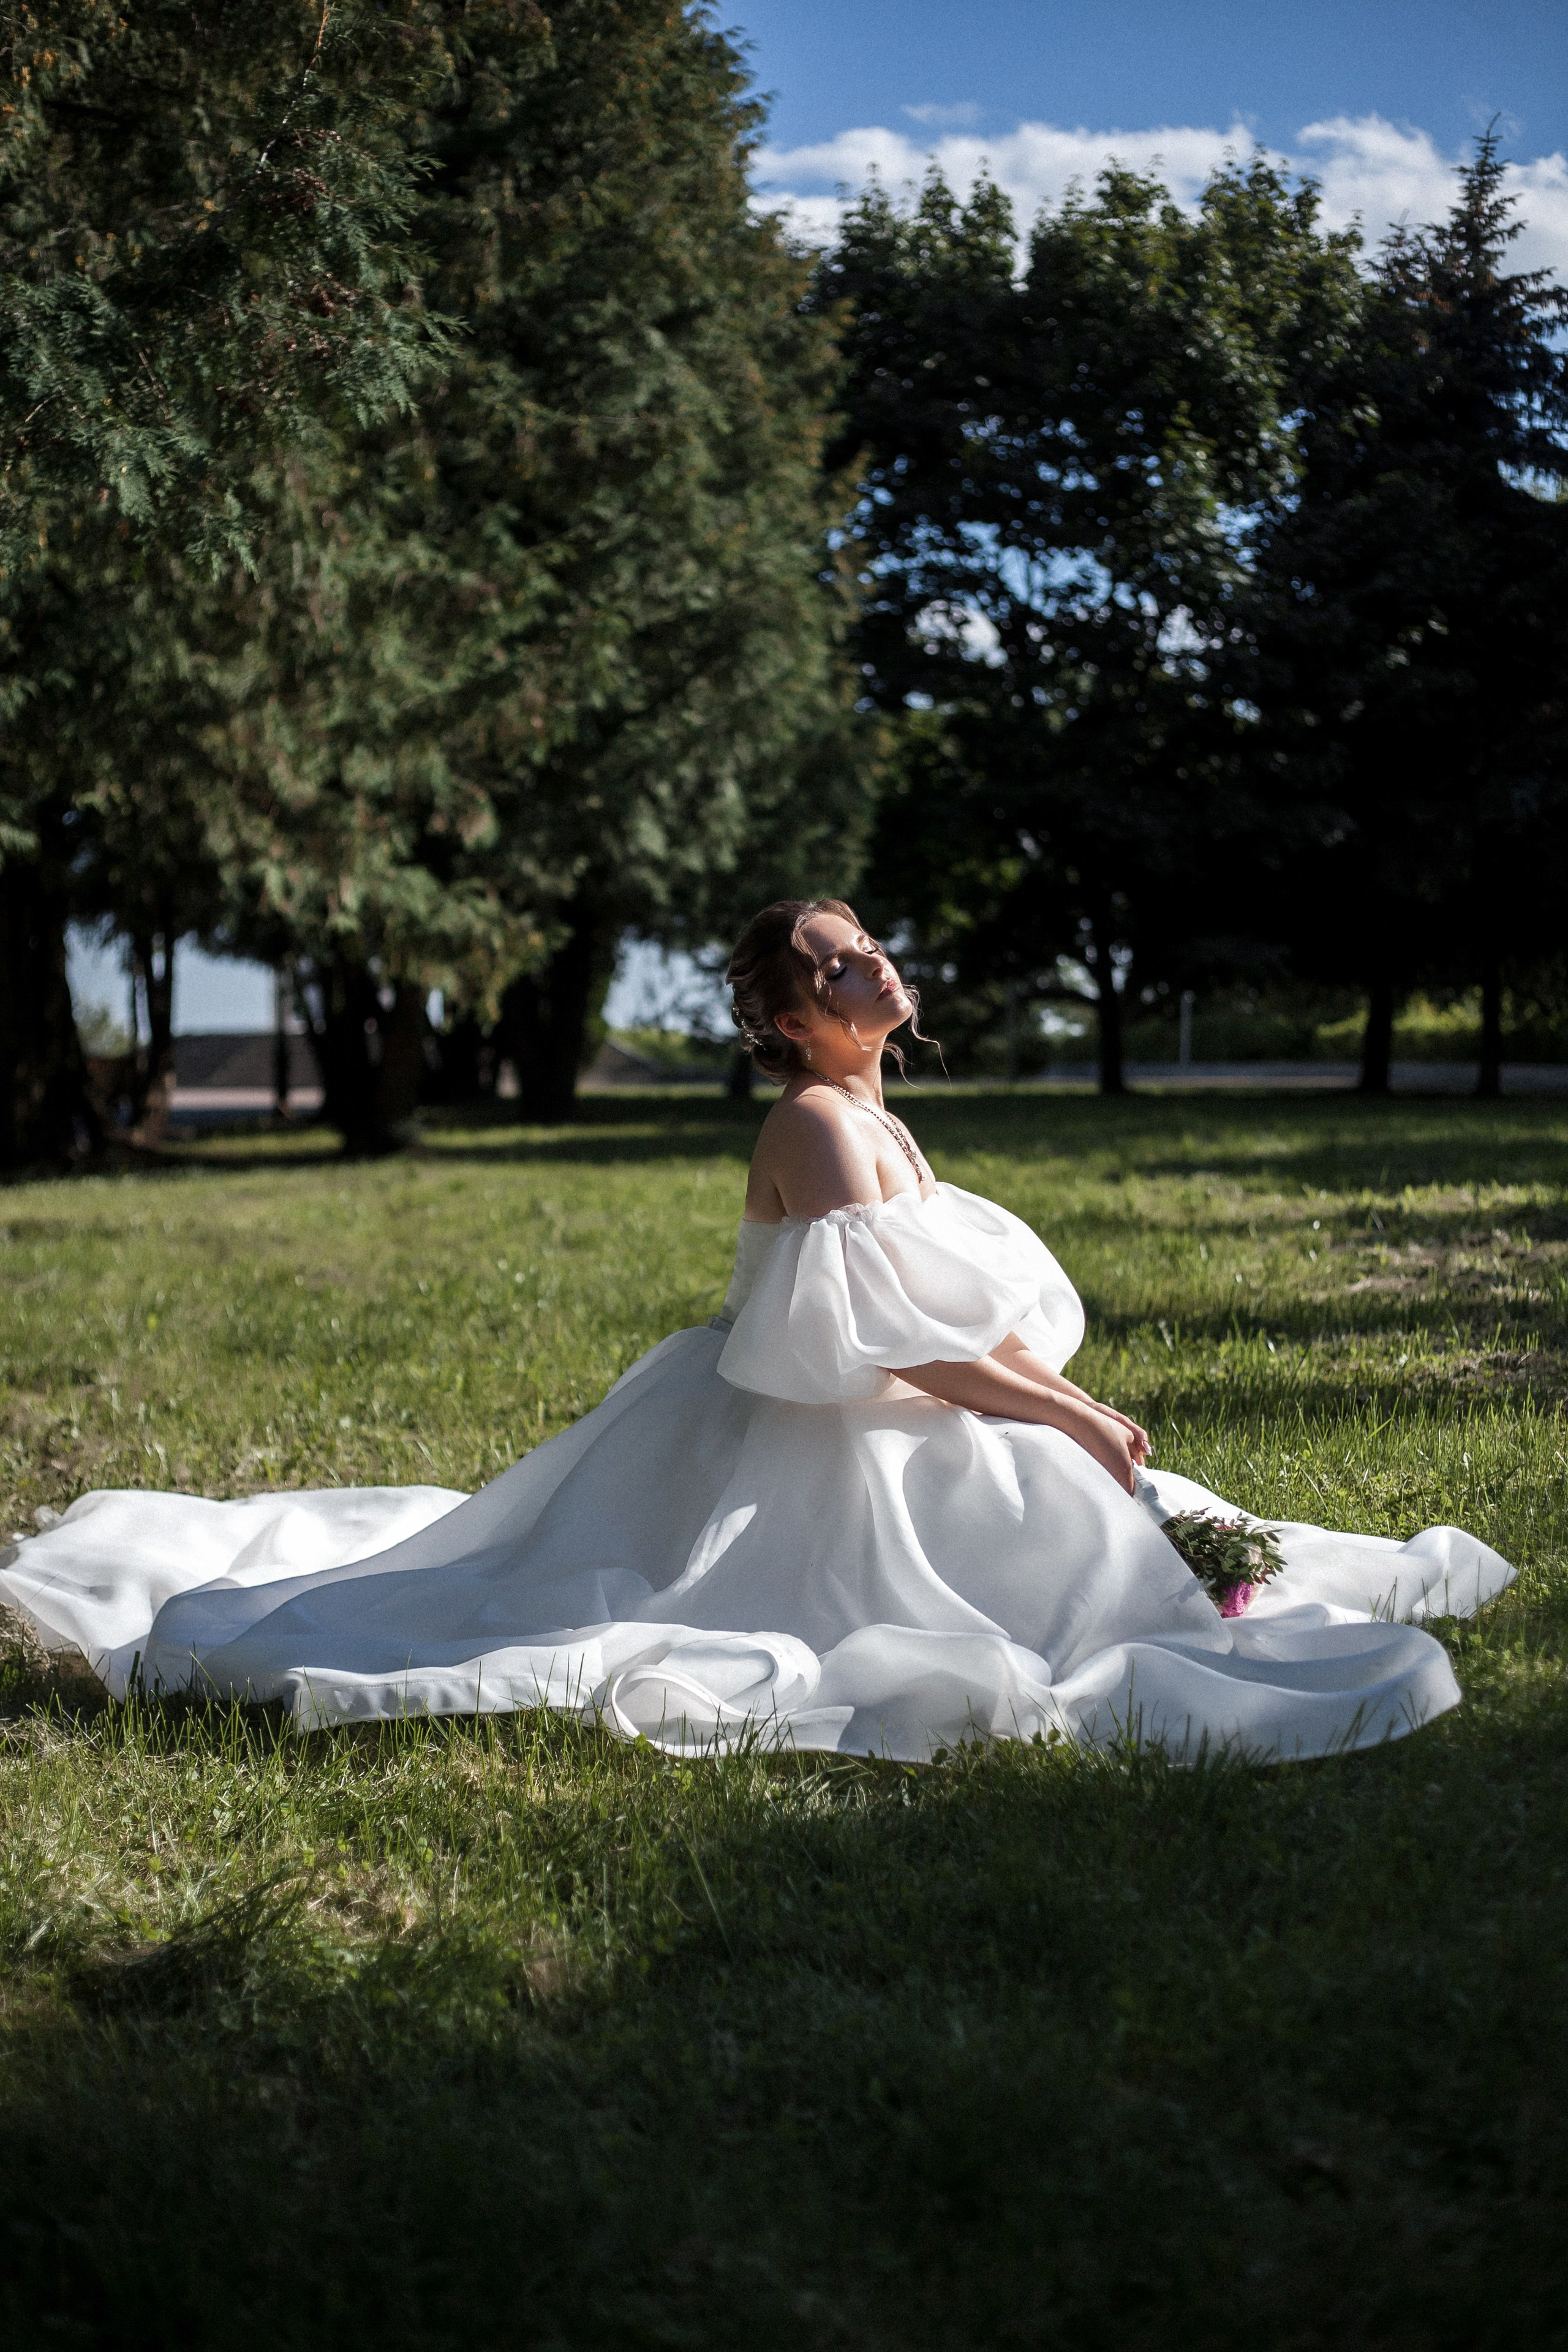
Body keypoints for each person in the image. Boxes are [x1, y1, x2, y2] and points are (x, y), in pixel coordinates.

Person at [0, 900, 1513, 1762]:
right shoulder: (817, 1123)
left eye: (864, 946)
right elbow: (882, 1350)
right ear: (797, 1015)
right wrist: (1053, 1410)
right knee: (1038, 1504)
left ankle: (1185, 1569)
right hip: (826, 1432)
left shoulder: (872, 1110)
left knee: (1097, 1493)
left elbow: (925, 1323)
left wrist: (1052, 1404)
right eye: (836, 960)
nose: (871, 964)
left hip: (896, 1404)